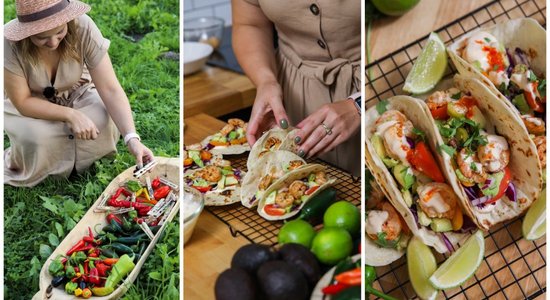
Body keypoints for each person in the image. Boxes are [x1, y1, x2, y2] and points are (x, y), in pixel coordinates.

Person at [4, 0, 154, 187]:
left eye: (59, 32)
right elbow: (23, 101)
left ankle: (81, 160)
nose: (52, 42)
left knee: (102, 116)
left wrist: (132, 138)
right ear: (26, 33)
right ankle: (45, 167)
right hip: (32, 103)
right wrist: (71, 115)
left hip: (76, 92)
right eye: (41, 37)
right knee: (36, 136)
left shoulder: (83, 26)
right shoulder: (9, 44)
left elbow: (110, 88)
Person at [232, 0, 361, 176]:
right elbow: (250, 24)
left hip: (380, 84)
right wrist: (265, 81)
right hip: (292, 98)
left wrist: (360, 102)